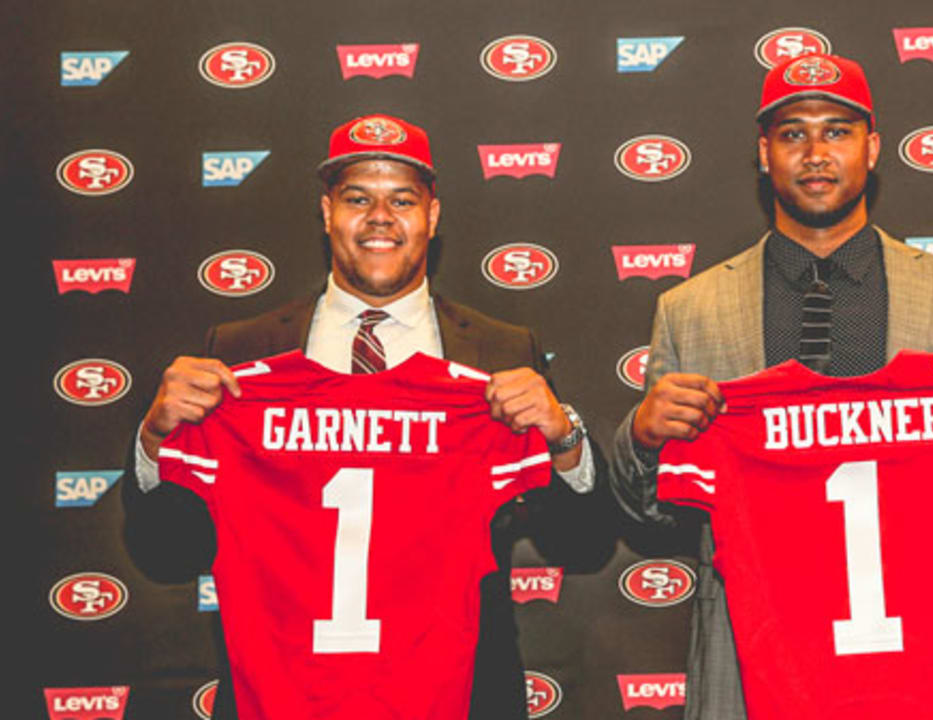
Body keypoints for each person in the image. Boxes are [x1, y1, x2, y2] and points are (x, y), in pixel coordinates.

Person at [610, 53, 933, 719]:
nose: (815, 152)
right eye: (792, 133)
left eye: (836, 130)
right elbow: (653, 511)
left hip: (923, 651)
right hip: (750, 655)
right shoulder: (692, 310)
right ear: (764, 154)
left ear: (873, 147)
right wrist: (641, 438)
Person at [121, 113, 603, 720]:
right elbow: (165, 550)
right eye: (358, 198)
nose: (380, 217)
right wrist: (154, 441)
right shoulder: (241, 354)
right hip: (279, 693)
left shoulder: (502, 352)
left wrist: (565, 440)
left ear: (432, 215)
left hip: (456, 694)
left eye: (402, 199)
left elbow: (581, 542)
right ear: (326, 213)